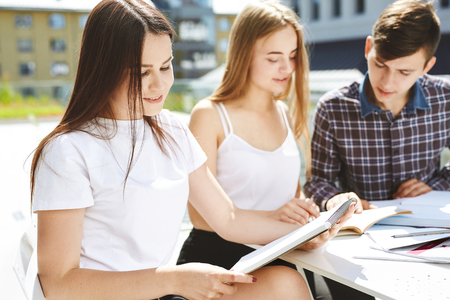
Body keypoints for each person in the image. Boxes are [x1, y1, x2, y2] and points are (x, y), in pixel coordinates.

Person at [30, 1, 356, 300]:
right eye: (142, 72)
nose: (160, 85)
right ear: (103, 68)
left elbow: (228, 218)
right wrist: (172, 280)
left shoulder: (170, 129)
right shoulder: (68, 152)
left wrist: (311, 231)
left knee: (286, 284)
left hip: (160, 291)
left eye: (166, 66)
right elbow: (59, 283)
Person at [176, 1, 356, 298]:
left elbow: (290, 195)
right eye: (274, 58)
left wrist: (320, 212)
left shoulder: (283, 112)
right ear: (244, 54)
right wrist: (277, 220)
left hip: (282, 251)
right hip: (220, 258)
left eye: (293, 56)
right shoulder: (209, 114)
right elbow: (199, 216)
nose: (287, 68)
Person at [304, 0, 449, 299]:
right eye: (380, 64)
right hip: (357, 249)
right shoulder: (333, 107)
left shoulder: (445, 100)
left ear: (428, 66)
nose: (388, 81)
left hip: (428, 239)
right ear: (369, 47)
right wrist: (335, 199)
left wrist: (433, 185)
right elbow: (316, 182)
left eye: (405, 71)